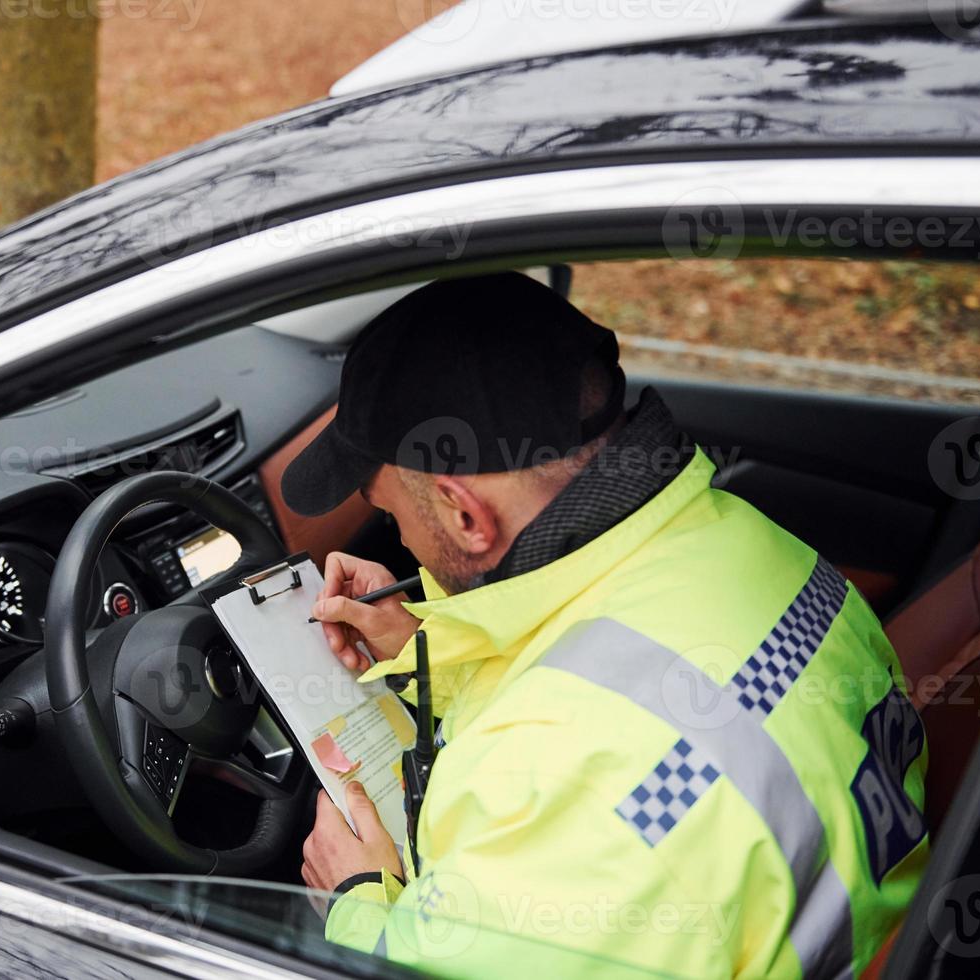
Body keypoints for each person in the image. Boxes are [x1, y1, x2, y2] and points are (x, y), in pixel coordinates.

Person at [283, 273, 926, 977]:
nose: (399, 541)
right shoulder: (754, 545)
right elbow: (616, 676)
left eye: (391, 513)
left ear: (465, 514)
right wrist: (428, 651)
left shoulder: (568, 790)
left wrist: (358, 900)